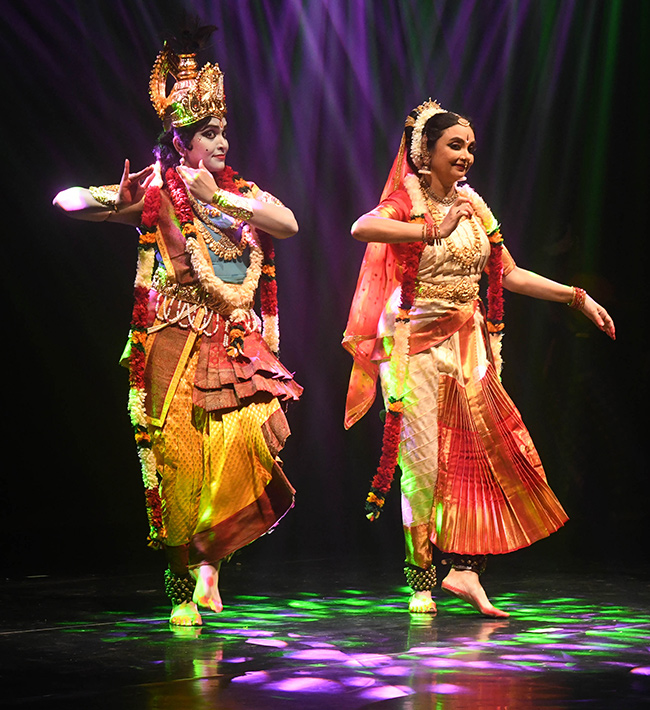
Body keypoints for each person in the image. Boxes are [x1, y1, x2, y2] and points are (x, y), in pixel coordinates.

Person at [54, 31, 302, 626]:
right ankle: (182, 582)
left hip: (232, 344)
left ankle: (211, 571)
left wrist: (225, 201)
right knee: (178, 464)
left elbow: (289, 223)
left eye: (222, 131)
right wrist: (111, 200)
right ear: (181, 141)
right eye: (207, 133)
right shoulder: (158, 190)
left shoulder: (242, 193)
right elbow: (63, 202)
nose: (219, 141)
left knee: (241, 444)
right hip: (171, 343)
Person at [342, 99, 615, 617]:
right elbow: (361, 228)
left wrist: (576, 296)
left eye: (470, 146)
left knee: (489, 444)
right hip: (413, 336)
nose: (467, 155)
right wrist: (433, 231)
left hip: (468, 339)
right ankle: (421, 577)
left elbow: (508, 273)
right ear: (425, 152)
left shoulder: (475, 204)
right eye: (455, 145)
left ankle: (465, 569)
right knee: (421, 460)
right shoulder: (407, 199)